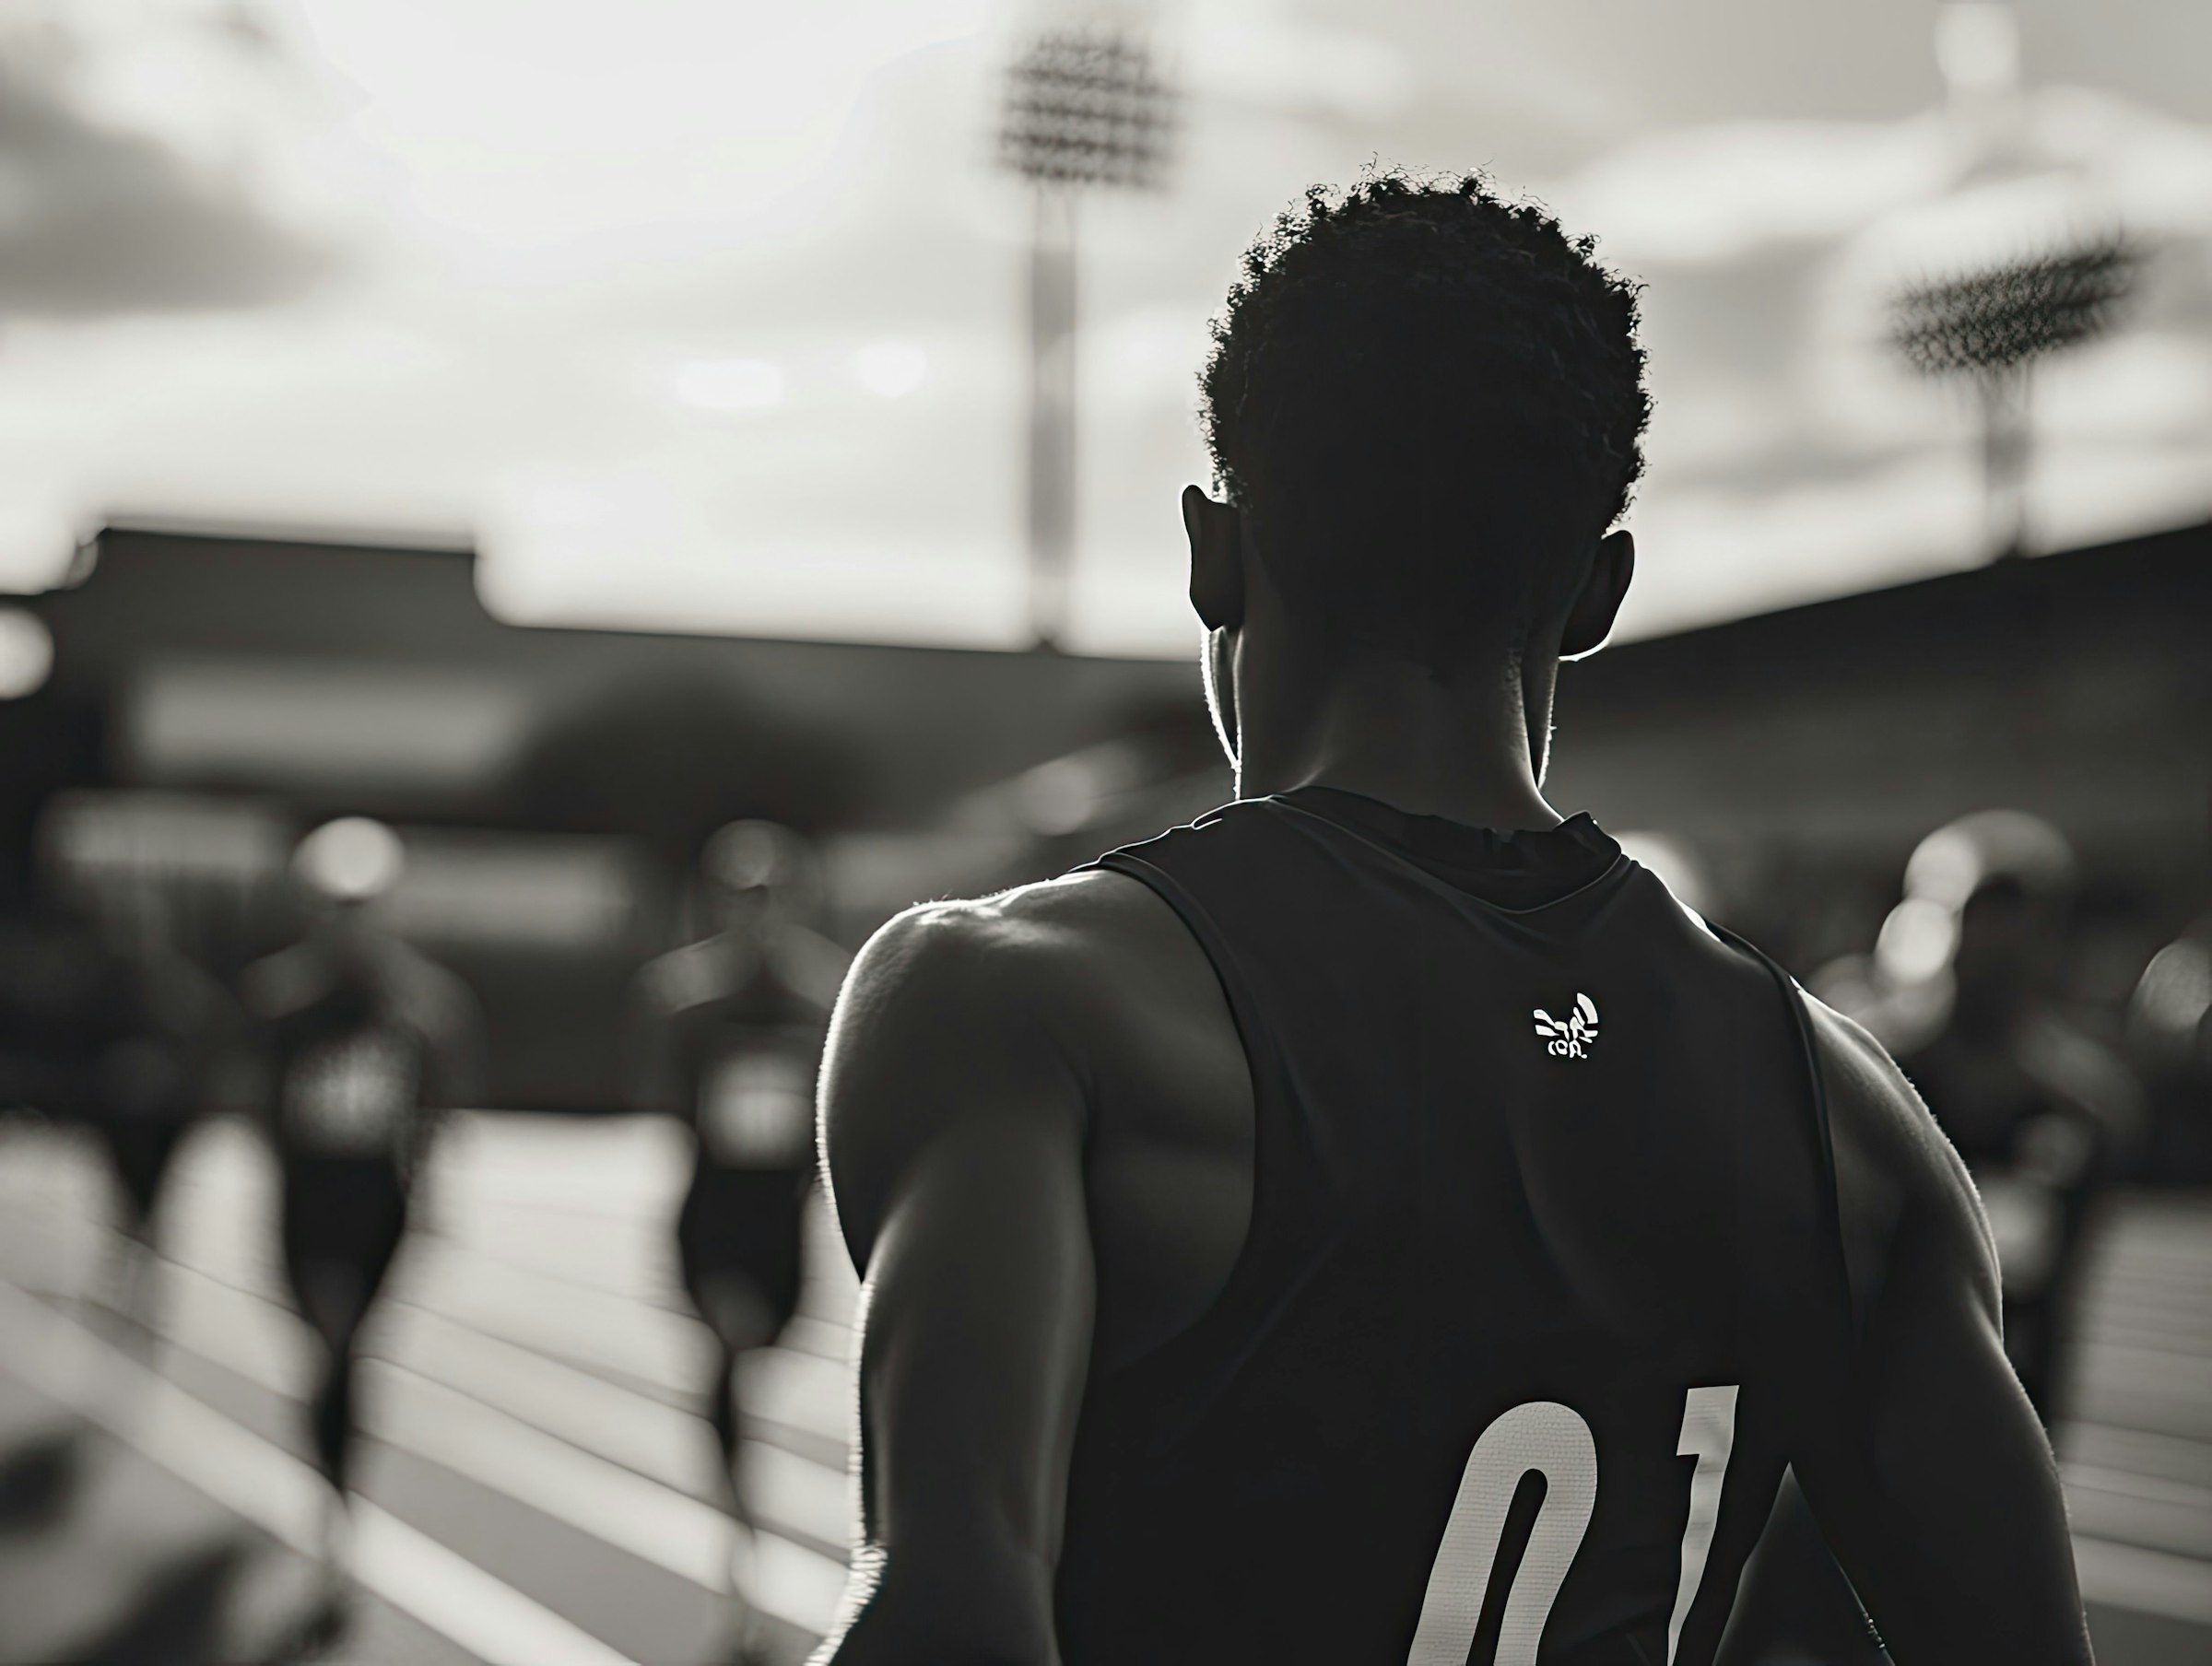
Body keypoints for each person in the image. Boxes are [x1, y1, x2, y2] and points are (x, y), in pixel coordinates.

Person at [810, 173, 2093, 1664]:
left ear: (1211, 553)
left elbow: (947, 1625)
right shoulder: (1854, 1126)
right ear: (1597, 592)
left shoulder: (1022, 1006)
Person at [242, 816, 479, 1624]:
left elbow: (435, 1110)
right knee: (330, 1346)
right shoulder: (283, 1001)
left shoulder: (419, 1005)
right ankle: (333, 1502)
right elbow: (264, 1113)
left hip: (378, 1199)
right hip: (311, 1196)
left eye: (362, 904)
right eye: (336, 904)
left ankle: (335, 1504)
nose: (349, 920)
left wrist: (433, 1189)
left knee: (351, 1347)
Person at [630, 821, 848, 1664]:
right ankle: (742, 1538)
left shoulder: (826, 998)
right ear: (719, 903)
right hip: (716, 1215)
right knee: (728, 1364)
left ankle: (747, 1529)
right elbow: (673, 1105)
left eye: (768, 896)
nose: (754, 914)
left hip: (783, 1223)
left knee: (766, 1355)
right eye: (738, 897)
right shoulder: (686, 1001)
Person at [1885, 813, 2138, 1424]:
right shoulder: (1862, 1074)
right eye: (1978, 916)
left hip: (1995, 1410)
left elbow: (2057, 1301)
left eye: (2018, 921)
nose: (1997, 943)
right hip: (1861, 1408)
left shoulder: (2085, 1104)